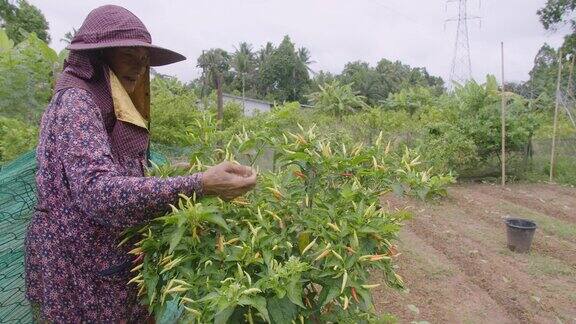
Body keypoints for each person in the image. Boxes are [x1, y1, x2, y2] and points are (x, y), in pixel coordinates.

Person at [24, 5, 257, 323]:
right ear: (100, 57)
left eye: (143, 58)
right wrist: (198, 184)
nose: (139, 66)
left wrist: (180, 172)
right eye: (129, 56)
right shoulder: (77, 104)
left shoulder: (105, 104)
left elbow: (117, 168)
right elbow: (98, 191)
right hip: (81, 266)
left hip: (101, 260)